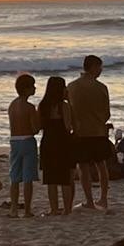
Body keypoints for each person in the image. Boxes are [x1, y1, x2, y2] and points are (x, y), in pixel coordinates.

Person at [66, 56, 111, 211]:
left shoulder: (72, 86)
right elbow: (107, 113)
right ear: (93, 67)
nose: (101, 70)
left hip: (80, 131)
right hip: (98, 130)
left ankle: (89, 201)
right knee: (101, 165)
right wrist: (99, 120)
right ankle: (103, 199)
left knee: (83, 167)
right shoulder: (101, 87)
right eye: (100, 67)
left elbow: (69, 110)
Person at [36, 76, 75, 216]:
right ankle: (67, 209)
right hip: (62, 142)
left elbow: (39, 126)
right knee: (64, 178)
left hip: (48, 142)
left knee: (51, 179)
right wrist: (70, 102)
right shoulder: (63, 106)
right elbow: (68, 126)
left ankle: (53, 209)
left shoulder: (43, 105)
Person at [7, 73, 40, 217]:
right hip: (27, 140)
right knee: (27, 178)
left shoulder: (12, 105)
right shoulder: (30, 107)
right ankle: (27, 210)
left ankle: (14, 209)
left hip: (14, 141)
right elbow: (35, 128)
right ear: (26, 89)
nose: (35, 88)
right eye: (32, 86)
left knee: (14, 177)